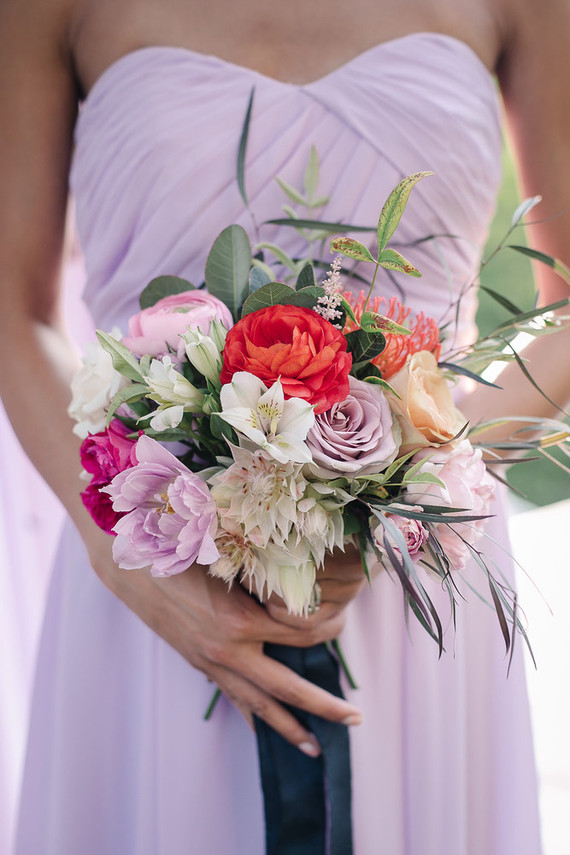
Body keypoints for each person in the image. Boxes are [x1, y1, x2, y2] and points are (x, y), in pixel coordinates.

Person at [0, 0, 569, 852]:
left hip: (415, 573)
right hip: (156, 559)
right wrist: (132, 566)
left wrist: (407, 489)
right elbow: (12, 307)